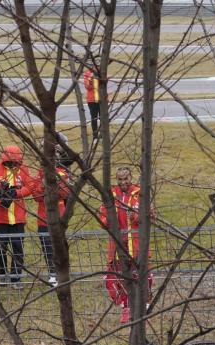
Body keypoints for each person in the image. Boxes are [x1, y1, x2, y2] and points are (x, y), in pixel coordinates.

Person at [98, 168, 152, 324]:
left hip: (137, 244)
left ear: (131, 178)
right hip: (116, 245)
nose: (123, 182)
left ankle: (142, 307)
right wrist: (108, 220)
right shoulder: (110, 195)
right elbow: (102, 217)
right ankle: (126, 307)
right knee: (113, 278)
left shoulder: (140, 194)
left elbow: (151, 215)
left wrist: (136, 217)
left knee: (140, 277)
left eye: (125, 178)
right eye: (119, 179)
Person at [0, 145, 34, 288]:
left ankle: (16, 278)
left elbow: (30, 187)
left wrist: (16, 193)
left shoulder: (24, 170)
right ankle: (2, 276)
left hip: (18, 218)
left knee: (18, 248)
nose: (14, 164)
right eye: (11, 161)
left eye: (16, 161)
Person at [31, 141, 71, 288]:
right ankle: (52, 273)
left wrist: (51, 186)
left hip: (59, 217)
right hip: (43, 218)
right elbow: (35, 195)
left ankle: (63, 273)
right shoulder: (38, 174)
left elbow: (64, 192)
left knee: (60, 246)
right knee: (47, 247)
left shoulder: (62, 173)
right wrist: (43, 186)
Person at [84, 68, 101, 136]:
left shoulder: (101, 71)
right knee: (94, 118)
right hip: (92, 100)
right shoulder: (87, 75)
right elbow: (88, 87)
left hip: (102, 99)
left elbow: (105, 83)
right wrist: (91, 78)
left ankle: (103, 134)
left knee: (103, 118)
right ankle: (95, 135)